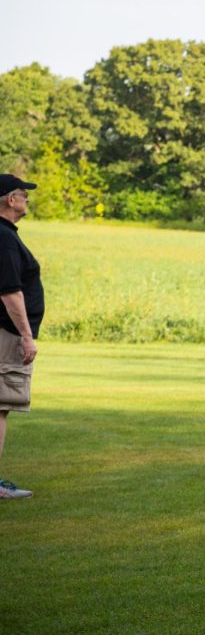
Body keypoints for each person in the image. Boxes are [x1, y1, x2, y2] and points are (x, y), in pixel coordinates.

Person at [0, 175, 42, 500]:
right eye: (23, 195)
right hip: (6, 335)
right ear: (9, 200)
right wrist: (27, 336)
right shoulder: (4, 238)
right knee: (1, 405)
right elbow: (10, 292)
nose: (27, 200)